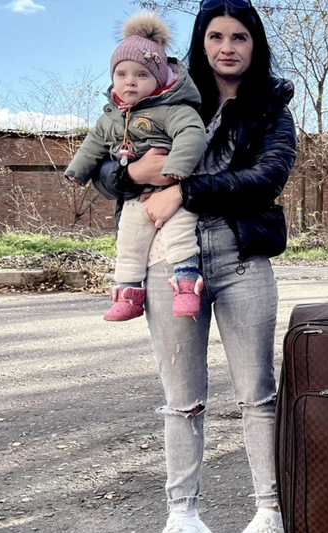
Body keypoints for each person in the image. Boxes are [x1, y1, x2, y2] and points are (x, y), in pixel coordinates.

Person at [91, 0, 296, 533]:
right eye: (215, 36)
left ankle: (270, 515)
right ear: (200, 44)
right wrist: (133, 171)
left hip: (239, 256)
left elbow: (266, 176)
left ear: (255, 45)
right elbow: (105, 168)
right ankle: (183, 515)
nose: (227, 46)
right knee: (182, 396)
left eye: (239, 37)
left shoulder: (271, 107)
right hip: (166, 259)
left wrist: (185, 188)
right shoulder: (167, 94)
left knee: (257, 391)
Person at [66, 11, 207, 322]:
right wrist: (78, 171)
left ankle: (186, 286)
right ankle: (129, 293)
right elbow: (94, 144)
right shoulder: (111, 117)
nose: (130, 81)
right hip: (133, 195)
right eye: (122, 74)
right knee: (128, 241)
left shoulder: (172, 109)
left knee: (180, 234)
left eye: (141, 75)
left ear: (158, 79)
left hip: (172, 187)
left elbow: (192, 134)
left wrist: (175, 168)